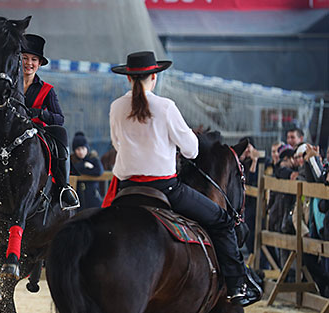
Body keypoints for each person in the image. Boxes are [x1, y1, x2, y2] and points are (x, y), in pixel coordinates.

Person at [107, 51, 260, 306]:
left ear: (128, 79)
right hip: (164, 189)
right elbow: (192, 150)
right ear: (153, 77)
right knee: (222, 221)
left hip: (126, 189)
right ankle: (236, 285)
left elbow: (116, 142)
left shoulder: (116, 107)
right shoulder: (166, 107)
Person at [0, 33, 78, 218]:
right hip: (6, 135)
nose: (29, 63)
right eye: (24, 58)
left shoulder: (47, 89)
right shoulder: (4, 85)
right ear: (17, 61)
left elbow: (59, 118)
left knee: (60, 132)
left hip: (36, 133)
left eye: (33, 59)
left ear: (39, 64)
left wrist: (40, 113)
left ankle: (64, 188)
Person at [70, 132, 104, 210]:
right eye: (78, 149)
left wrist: (81, 170)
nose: (81, 152)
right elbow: (72, 170)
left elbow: (99, 171)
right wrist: (84, 165)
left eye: (83, 148)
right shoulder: (72, 160)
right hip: (78, 197)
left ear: (87, 148)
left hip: (93, 196)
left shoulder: (93, 158)